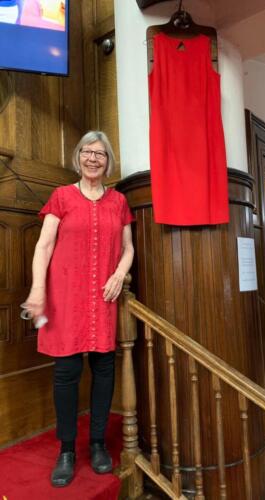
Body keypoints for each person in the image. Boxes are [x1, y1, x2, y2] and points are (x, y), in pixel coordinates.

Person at [24, 130, 134, 487]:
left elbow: (129, 247)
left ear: (108, 162)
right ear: (78, 157)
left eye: (100, 155)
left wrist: (120, 272)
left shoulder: (118, 202)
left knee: (104, 369)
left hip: (103, 298)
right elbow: (43, 247)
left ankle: (98, 444)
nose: (93, 159)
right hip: (65, 298)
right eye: (87, 152)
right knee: (66, 374)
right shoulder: (61, 197)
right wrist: (38, 290)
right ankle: (67, 450)